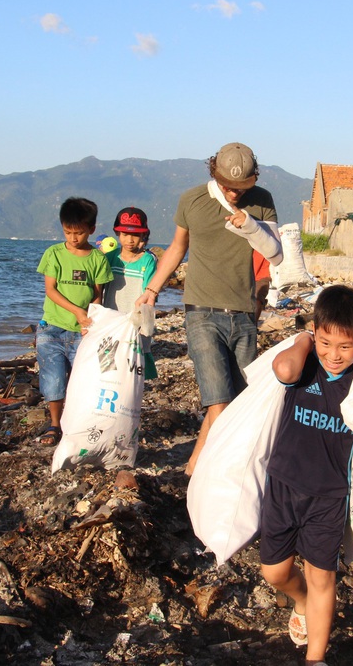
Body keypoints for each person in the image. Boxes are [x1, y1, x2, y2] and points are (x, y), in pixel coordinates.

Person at [137, 142, 282, 475]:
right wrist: (152, 290)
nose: (234, 194)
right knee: (218, 399)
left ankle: (209, 469)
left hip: (245, 313)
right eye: (229, 187)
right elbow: (177, 248)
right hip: (201, 311)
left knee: (239, 402)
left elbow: (276, 253)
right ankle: (194, 471)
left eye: (242, 188)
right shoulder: (192, 199)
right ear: (213, 173)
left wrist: (251, 226)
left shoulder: (262, 201)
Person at [260, 284, 353, 664]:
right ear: (315, 333)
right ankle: (301, 600)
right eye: (326, 342)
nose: (334, 355)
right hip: (283, 484)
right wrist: (303, 341)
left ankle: (316, 657)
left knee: (323, 576)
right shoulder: (306, 363)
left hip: (329, 495)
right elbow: (283, 369)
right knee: (274, 572)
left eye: (345, 346)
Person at [35, 197, 113, 446]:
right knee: (53, 379)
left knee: (82, 380)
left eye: (78, 233)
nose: (72, 238)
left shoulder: (97, 259)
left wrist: (89, 318)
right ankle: (54, 424)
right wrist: (77, 311)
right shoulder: (54, 254)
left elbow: (97, 293)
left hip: (82, 332)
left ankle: (77, 422)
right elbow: (51, 290)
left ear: (91, 229)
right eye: (67, 232)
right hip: (52, 328)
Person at [102, 206, 158, 379]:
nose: (130, 240)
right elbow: (100, 288)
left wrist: (143, 322)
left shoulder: (148, 260)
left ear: (143, 235)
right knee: (109, 364)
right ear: (117, 234)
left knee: (133, 365)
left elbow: (149, 293)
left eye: (135, 235)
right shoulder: (111, 258)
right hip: (112, 318)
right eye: (125, 234)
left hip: (135, 320)